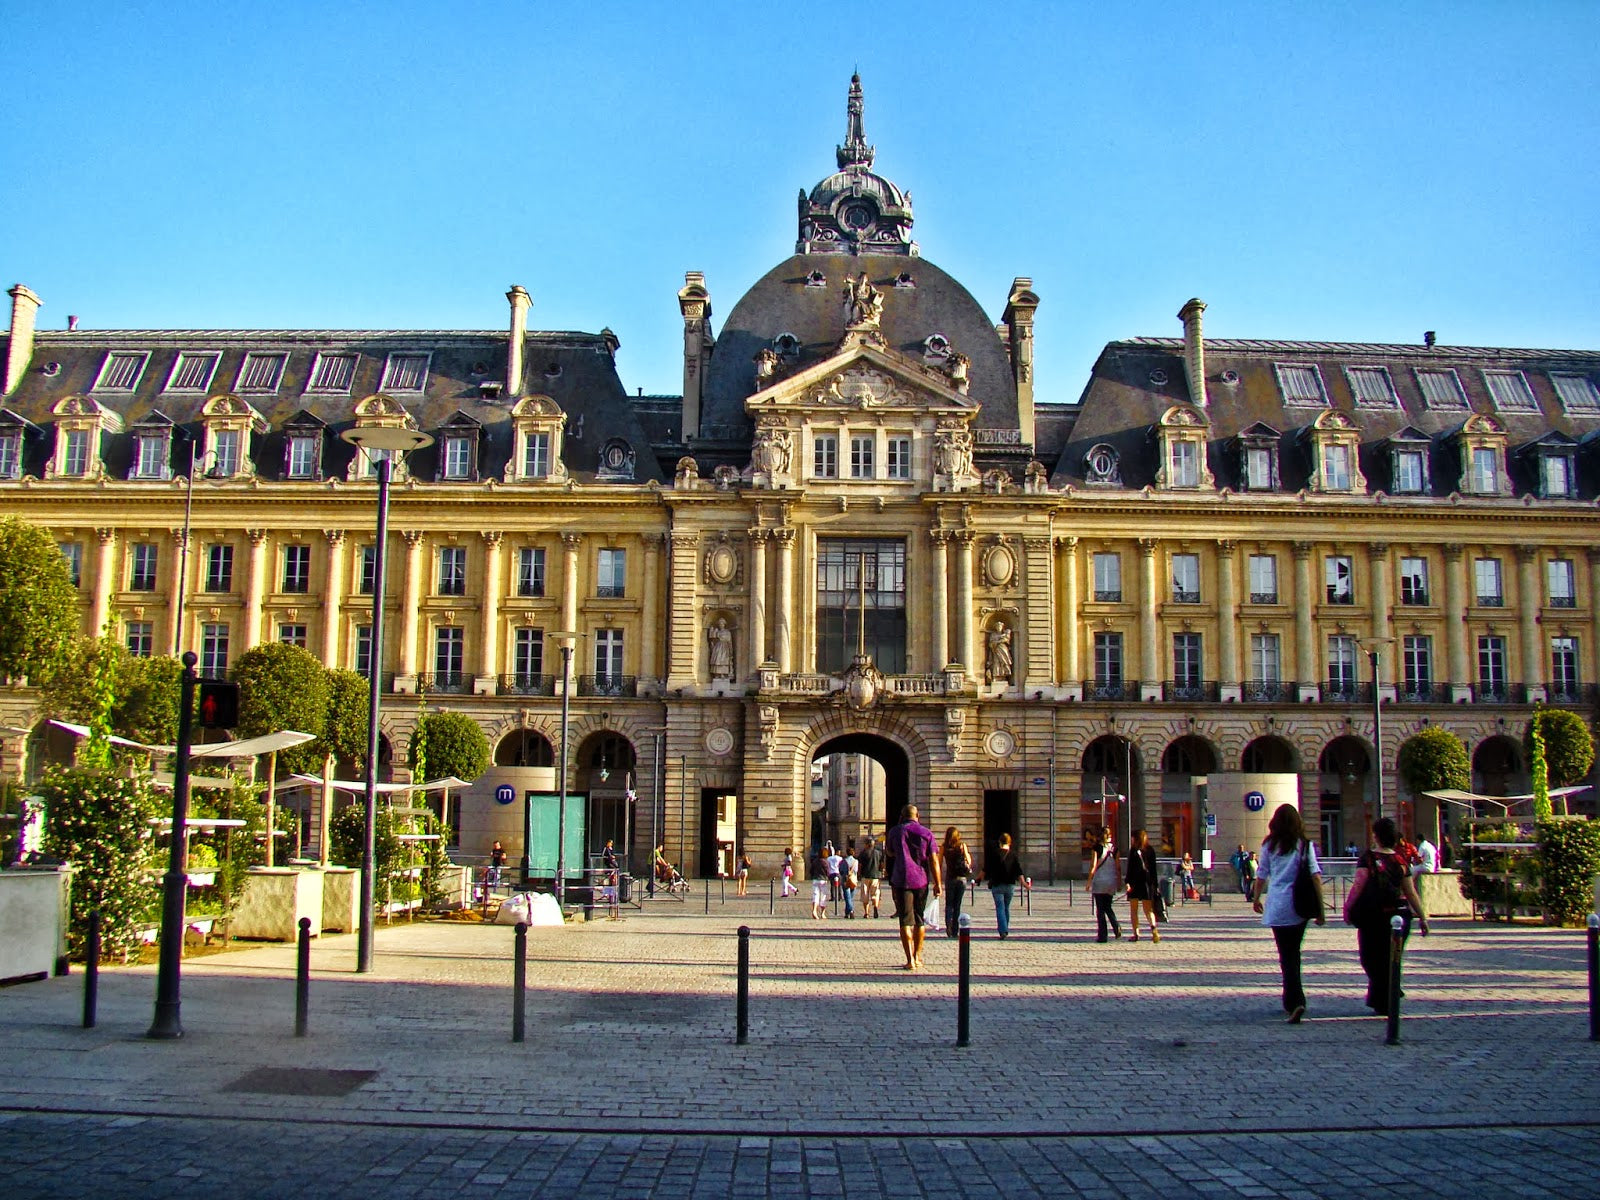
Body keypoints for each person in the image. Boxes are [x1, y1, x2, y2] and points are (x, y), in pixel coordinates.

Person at [1345, 816, 1429, 1017]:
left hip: (1373, 916)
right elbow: (1410, 892)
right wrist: (1422, 917)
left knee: (1370, 958)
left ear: (1376, 835)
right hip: (1400, 915)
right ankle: (1386, 996)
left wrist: (1348, 907)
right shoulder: (1400, 860)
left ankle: (1386, 995)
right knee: (1391, 959)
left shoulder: (1368, 858)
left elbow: (1359, 885)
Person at [1251, 803, 1325, 1024]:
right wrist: (1321, 909)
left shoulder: (1269, 846)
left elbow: (1261, 874)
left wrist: (1256, 899)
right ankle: (1294, 999)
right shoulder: (1304, 845)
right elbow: (1315, 876)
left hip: (1278, 904)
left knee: (1286, 955)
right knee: (1295, 953)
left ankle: (1293, 1000)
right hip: (1299, 905)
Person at [884, 804, 941, 970]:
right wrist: (938, 883)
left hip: (901, 879)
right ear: (918, 816)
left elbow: (890, 852)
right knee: (919, 919)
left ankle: (909, 960)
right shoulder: (926, 833)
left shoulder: (895, 832)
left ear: (902, 816)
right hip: (921, 880)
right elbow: (934, 860)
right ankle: (917, 956)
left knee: (904, 920)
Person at [981, 832, 1025, 939]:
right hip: (1010, 886)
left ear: (999, 842)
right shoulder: (1013, 855)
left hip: (997, 885)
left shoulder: (994, 854)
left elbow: (986, 869)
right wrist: (1024, 884)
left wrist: (978, 879)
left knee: (1000, 908)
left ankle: (1003, 930)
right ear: (1009, 843)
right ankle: (1005, 928)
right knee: (1006, 908)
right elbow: (1019, 871)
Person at [1086, 830, 1122, 941]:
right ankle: (1116, 927)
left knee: (1100, 910)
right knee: (1108, 906)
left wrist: (1089, 881)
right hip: (1111, 881)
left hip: (1099, 881)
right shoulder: (1115, 849)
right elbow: (1118, 867)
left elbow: (1093, 866)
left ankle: (1103, 935)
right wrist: (1119, 882)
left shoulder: (1096, 848)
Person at [1125, 829, 1159, 943]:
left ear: (1136, 838)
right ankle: (1153, 928)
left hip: (1135, 883)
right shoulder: (1150, 850)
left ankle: (1136, 934)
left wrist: (1127, 883)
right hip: (1147, 883)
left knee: (1134, 910)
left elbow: (1129, 869)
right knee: (1148, 910)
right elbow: (1154, 870)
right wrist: (1155, 885)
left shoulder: (1133, 851)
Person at [940, 827, 973, 938]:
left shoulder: (943, 847)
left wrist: (937, 879)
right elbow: (969, 861)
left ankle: (948, 925)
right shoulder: (962, 846)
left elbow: (938, 863)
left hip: (950, 878)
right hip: (961, 879)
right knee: (957, 905)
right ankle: (955, 930)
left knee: (949, 904)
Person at [859, 836, 885, 918]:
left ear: (866, 844)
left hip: (865, 876)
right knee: (875, 893)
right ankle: (875, 907)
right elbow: (882, 864)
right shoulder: (879, 853)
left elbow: (860, 865)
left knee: (865, 894)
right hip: (876, 876)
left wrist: (859, 874)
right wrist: (881, 871)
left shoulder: (863, 853)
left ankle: (866, 913)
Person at [809, 845, 831, 919]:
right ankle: (822, 913)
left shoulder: (815, 861)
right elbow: (828, 871)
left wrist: (813, 875)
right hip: (823, 880)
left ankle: (814, 910)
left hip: (815, 880)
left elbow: (811, 871)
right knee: (823, 897)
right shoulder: (826, 862)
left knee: (815, 895)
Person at [840, 845, 859, 917]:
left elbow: (841, 870)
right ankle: (847, 912)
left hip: (845, 880)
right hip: (854, 880)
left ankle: (850, 911)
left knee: (847, 897)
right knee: (850, 897)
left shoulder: (843, 861)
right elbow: (856, 871)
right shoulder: (856, 861)